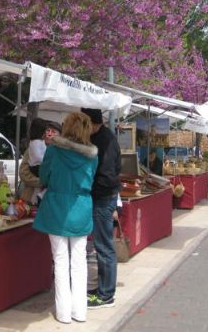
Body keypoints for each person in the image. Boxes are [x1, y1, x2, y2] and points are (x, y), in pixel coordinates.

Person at [33, 112, 98, 324]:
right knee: (79, 261)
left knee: (60, 260)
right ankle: (80, 311)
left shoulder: (53, 151)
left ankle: (63, 313)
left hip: (56, 208)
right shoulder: (92, 156)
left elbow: (44, 176)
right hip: (81, 207)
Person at [81, 108, 121, 310]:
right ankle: (103, 290)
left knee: (104, 246)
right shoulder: (105, 137)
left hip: (103, 198)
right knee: (103, 246)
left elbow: (106, 176)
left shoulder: (104, 141)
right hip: (105, 197)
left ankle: (106, 295)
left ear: (92, 124)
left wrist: (89, 188)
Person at [19, 119, 61, 204]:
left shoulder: (61, 153)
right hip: (31, 197)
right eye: (47, 130)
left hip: (52, 201)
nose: (49, 134)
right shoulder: (32, 149)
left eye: (53, 132)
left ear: (60, 136)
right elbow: (23, 173)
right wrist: (44, 182)